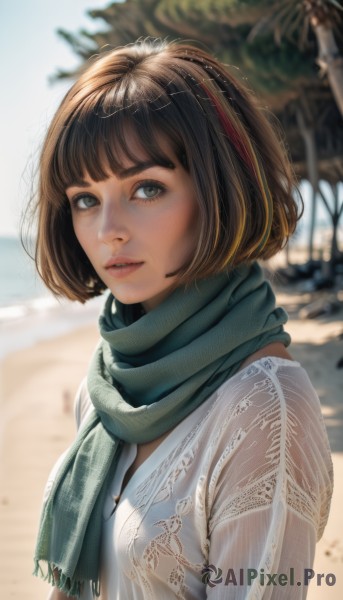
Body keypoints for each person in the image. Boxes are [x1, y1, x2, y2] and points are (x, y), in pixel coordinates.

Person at [29, 39, 333, 599]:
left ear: (219, 189)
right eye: (85, 198)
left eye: (147, 188)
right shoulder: (104, 388)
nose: (107, 230)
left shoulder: (267, 411)